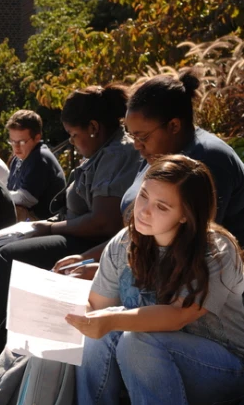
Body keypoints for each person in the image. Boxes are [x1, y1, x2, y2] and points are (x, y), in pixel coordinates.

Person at [49, 155, 244, 405]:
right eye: (143, 197)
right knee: (103, 335)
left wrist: (110, 320)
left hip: (223, 366)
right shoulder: (126, 242)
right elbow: (98, 306)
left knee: (134, 335)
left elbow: (176, 317)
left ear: (186, 214)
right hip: (148, 364)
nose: (144, 211)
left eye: (161, 206)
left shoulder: (217, 249)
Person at [0, 85, 141, 392]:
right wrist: (45, 225)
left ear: (94, 128)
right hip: (75, 234)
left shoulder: (117, 153)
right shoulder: (103, 151)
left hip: (93, 245)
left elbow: (103, 221)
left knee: (8, 258)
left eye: (74, 135)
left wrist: (48, 229)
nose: (73, 144)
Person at [53, 69, 244, 282]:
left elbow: (187, 254)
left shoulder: (208, 160)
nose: (136, 145)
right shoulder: (156, 152)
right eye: (132, 136)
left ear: (174, 126)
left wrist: (106, 273)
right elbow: (136, 236)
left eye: (142, 136)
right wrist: (86, 258)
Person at [5, 110, 65, 219]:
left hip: (46, 223)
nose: (16, 147)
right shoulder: (18, 158)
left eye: (21, 142)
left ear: (37, 138)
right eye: (12, 141)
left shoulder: (40, 158)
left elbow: (26, 199)